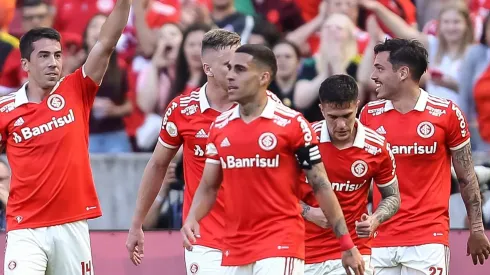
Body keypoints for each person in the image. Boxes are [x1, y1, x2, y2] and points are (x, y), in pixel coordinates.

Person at [181, 44, 365, 275]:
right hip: (236, 245)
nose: (230, 76)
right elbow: (208, 186)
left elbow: (321, 185)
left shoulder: (293, 125)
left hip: (280, 242)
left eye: (239, 69)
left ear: (263, 77)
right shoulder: (220, 127)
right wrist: (192, 218)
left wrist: (346, 244)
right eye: (229, 69)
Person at [0, 0, 131, 274]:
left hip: (71, 223)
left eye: (57, 55)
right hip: (26, 227)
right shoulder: (5, 110)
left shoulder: (76, 90)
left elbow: (106, 42)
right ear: (25, 63)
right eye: (44, 56)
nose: (53, 63)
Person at [360, 38, 490, 274]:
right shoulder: (369, 114)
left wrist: (477, 228)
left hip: (427, 238)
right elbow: (360, 178)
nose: (373, 76)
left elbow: (466, 176)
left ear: (402, 73)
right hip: (379, 239)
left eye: (379, 68)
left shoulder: (446, 113)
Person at [126, 29, 243, 274]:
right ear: (208, 69)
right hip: (204, 237)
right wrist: (137, 223)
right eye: (228, 66)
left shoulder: (261, 108)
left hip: (257, 236)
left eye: (240, 64)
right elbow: (158, 165)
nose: (236, 72)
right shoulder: (183, 109)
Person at [300, 74, 401, 275]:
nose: (341, 125)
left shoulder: (375, 147)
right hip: (304, 250)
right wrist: (308, 212)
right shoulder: (305, 144)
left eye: (347, 115)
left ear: (357, 104)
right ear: (321, 110)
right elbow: (278, 193)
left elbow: (392, 196)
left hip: (355, 250)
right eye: (333, 117)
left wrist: (375, 219)